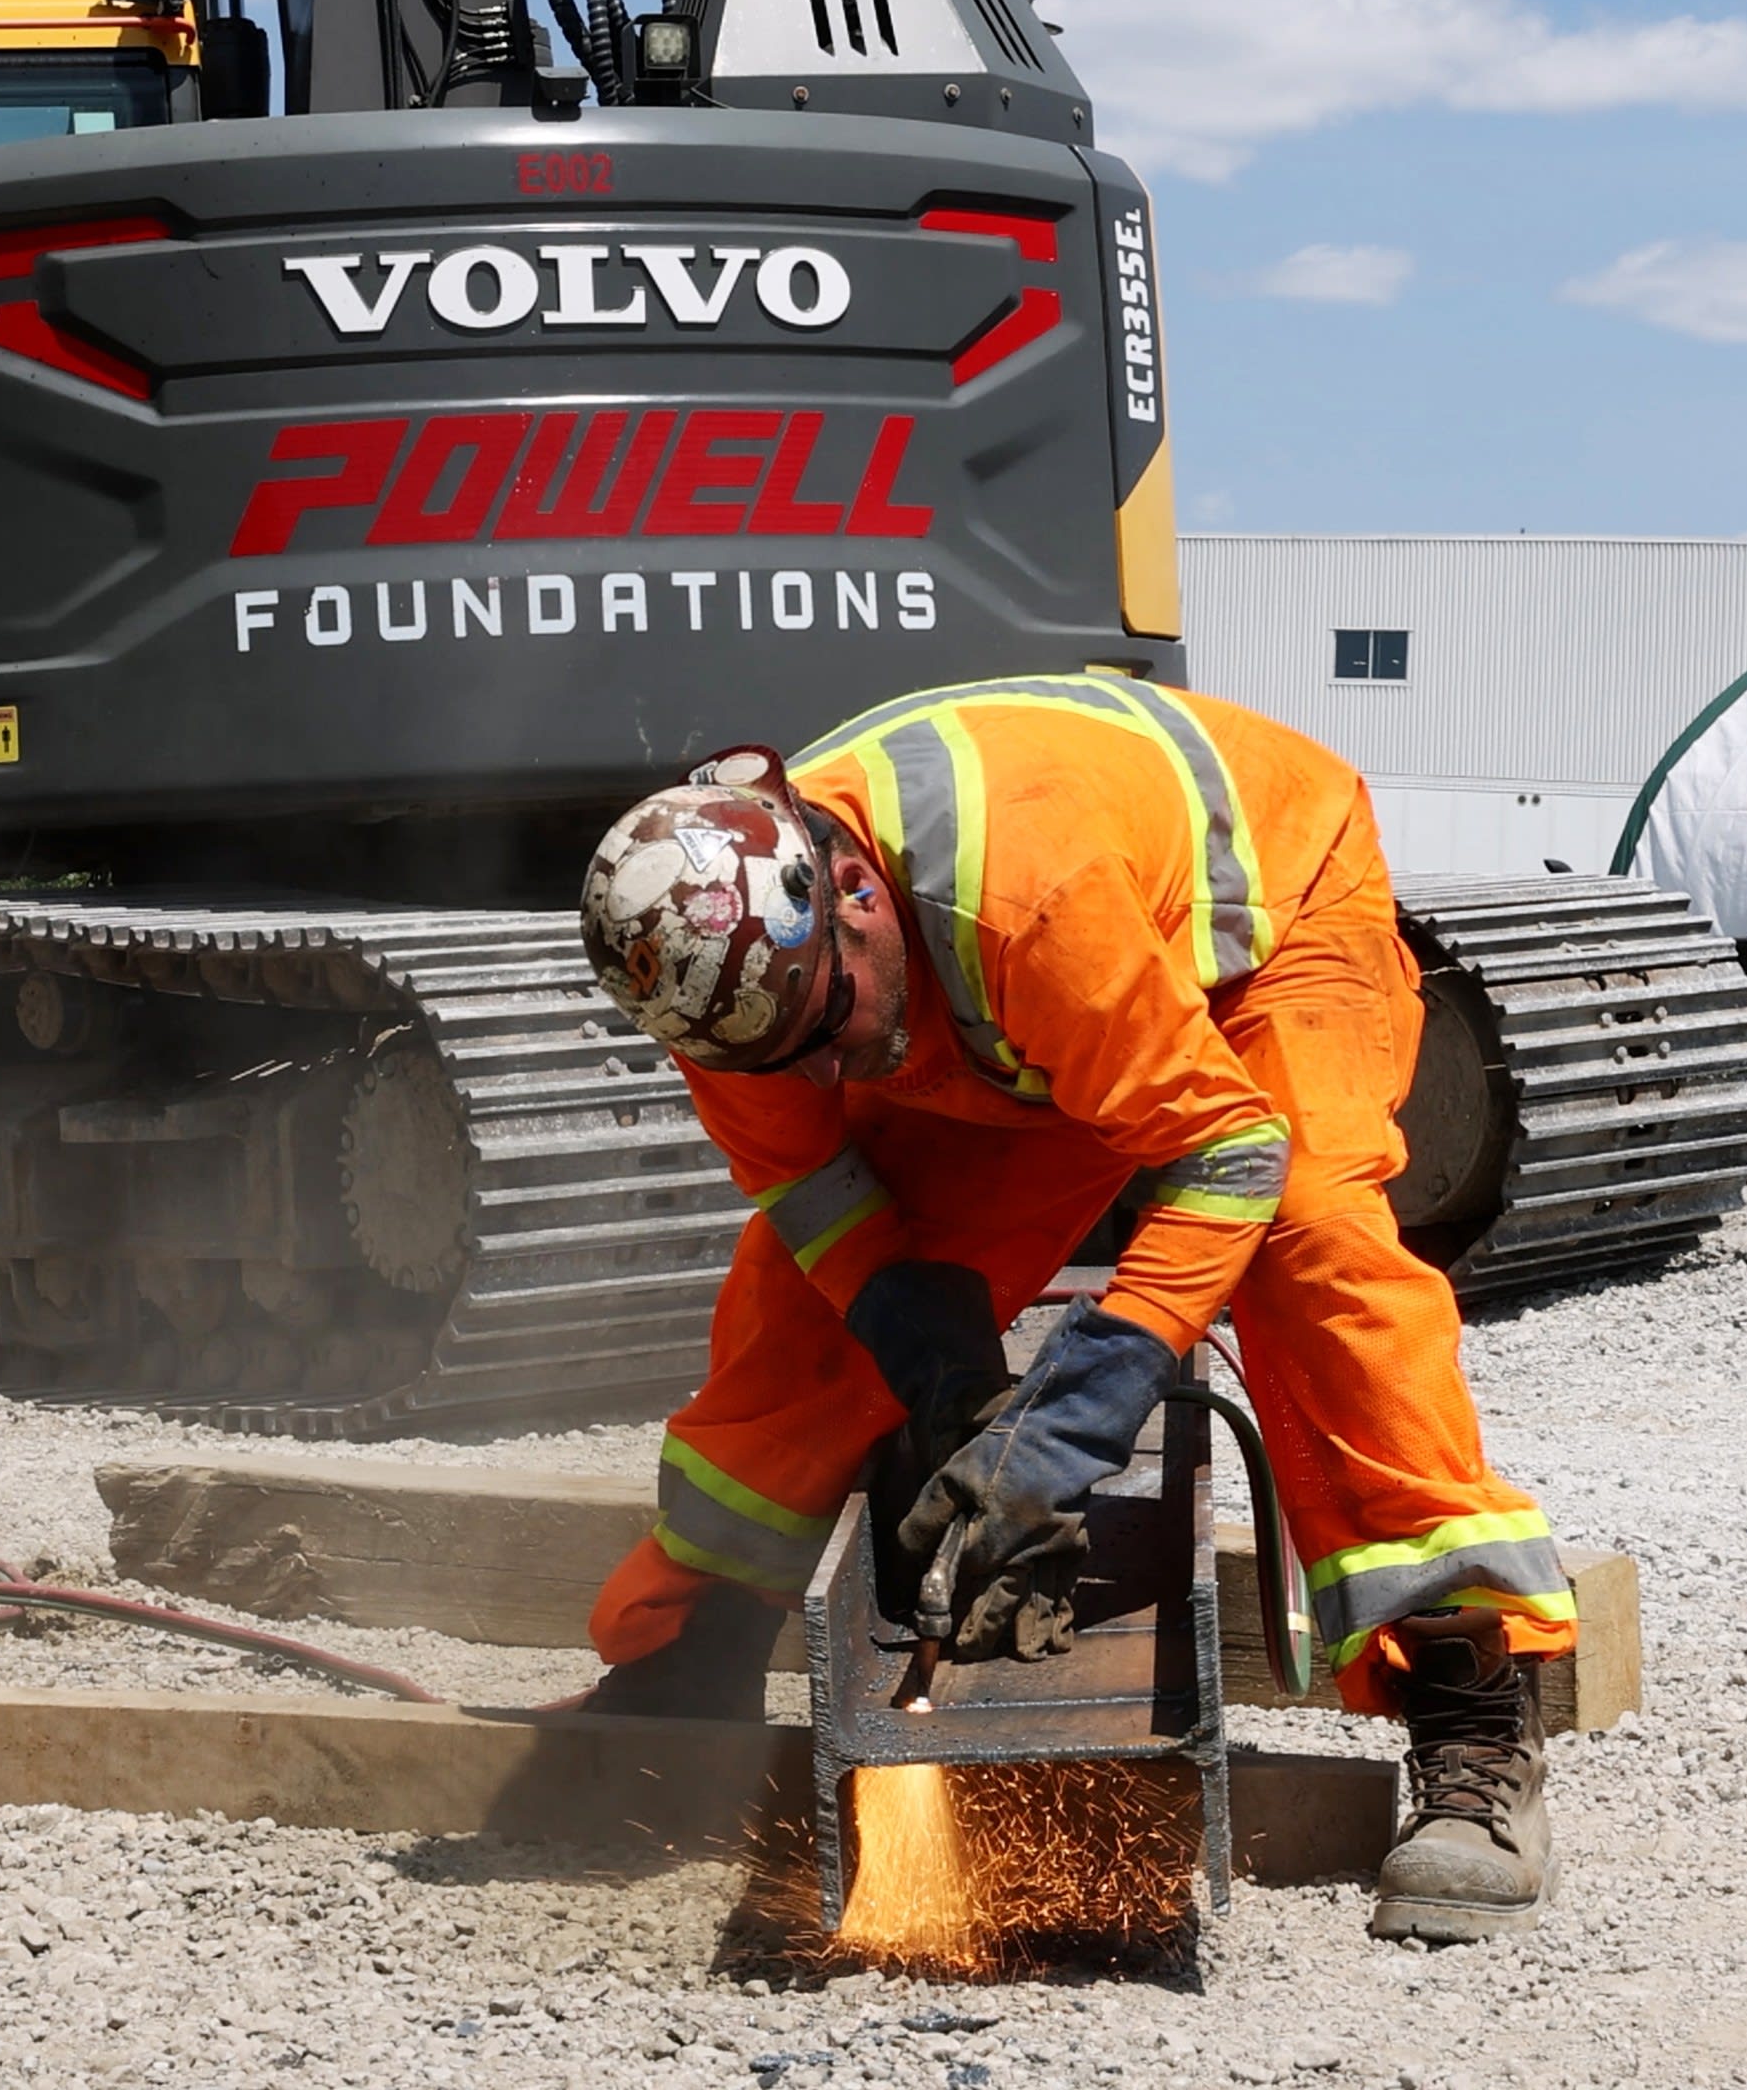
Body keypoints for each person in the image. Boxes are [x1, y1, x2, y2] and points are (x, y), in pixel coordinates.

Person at [574, 676, 1574, 1945]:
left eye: (829, 1025)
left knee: (1313, 1243)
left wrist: (1073, 1420)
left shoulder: (1025, 901)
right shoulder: (716, 968)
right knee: (799, 1307)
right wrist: (937, 1368)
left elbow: (1228, 1155)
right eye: (786, 1055)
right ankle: (692, 1661)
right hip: (1024, 997)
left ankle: (1471, 1703)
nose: (819, 1072)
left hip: (1265, 923)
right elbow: (811, 1184)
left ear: (858, 896)